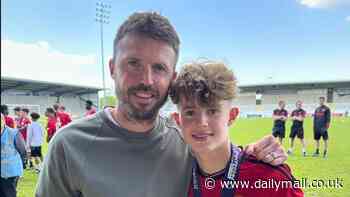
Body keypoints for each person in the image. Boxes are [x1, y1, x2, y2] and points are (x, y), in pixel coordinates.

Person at [36, 12, 287, 197]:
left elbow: (224, 155)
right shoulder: (69, 145)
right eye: (133, 63)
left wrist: (257, 153)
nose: (146, 80)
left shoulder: (186, 140)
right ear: (112, 68)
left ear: (172, 77)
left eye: (159, 68)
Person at [170, 60, 303, 196]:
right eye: (190, 113)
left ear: (232, 116)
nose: (201, 122)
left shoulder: (270, 179)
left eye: (212, 111)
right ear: (178, 120)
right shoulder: (176, 180)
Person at [1, 113, 27, 197]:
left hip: (10, 172)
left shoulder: (14, 133)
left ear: (3, 121)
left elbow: (22, 151)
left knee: (9, 194)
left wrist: (23, 163)